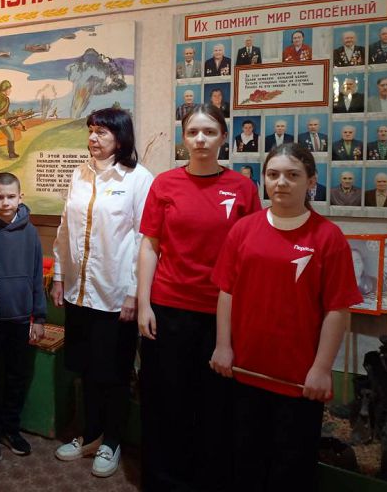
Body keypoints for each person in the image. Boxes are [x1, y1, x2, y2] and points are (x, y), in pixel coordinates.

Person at [210, 143, 361, 491]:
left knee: (291, 468)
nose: (281, 182)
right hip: (245, 371)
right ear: (264, 179)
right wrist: (222, 346)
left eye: (293, 175)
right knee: (245, 461)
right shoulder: (243, 230)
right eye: (273, 174)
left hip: (299, 381)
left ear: (311, 181)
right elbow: (226, 292)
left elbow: (337, 310)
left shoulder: (329, 237)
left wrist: (322, 368)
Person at [137, 104, 260, 492]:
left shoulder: (243, 188)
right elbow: (150, 246)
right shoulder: (165, 184)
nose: (201, 140)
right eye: (193, 132)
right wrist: (144, 304)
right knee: (166, 400)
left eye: (209, 132)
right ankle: (163, 480)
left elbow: (250, 254)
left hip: (221, 314)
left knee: (215, 405)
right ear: (184, 138)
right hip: (168, 309)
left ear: (224, 137)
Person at [52, 108, 153, 478]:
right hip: (80, 293)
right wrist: (59, 276)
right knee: (86, 368)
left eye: (103, 132)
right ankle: (90, 434)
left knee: (114, 372)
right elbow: (65, 227)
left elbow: (144, 240)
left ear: (121, 138)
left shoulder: (139, 179)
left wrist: (134, 293)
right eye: (91, 131)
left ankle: (112, 440)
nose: (93, 138)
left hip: (115, 295)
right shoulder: (79, 173)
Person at [0, 172, 46, 464]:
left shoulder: (30, 232)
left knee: (17, 377)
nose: (5, 203)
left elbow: (36, 276)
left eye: (11, 197)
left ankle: (11, 428)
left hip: (21, 321)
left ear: (20, 198)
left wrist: (39, 317)